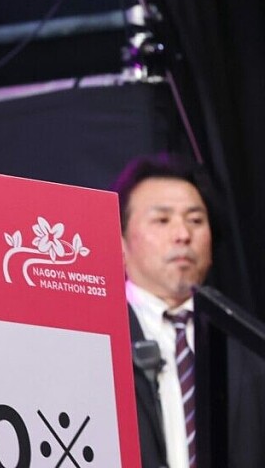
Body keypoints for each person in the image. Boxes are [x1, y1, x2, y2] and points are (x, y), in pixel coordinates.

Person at [113, 153, 264, 468]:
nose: (183, 234)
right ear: (120, 240)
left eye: (195, 220)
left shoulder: (248, 347)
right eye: (162, 220)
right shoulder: (97, 340)